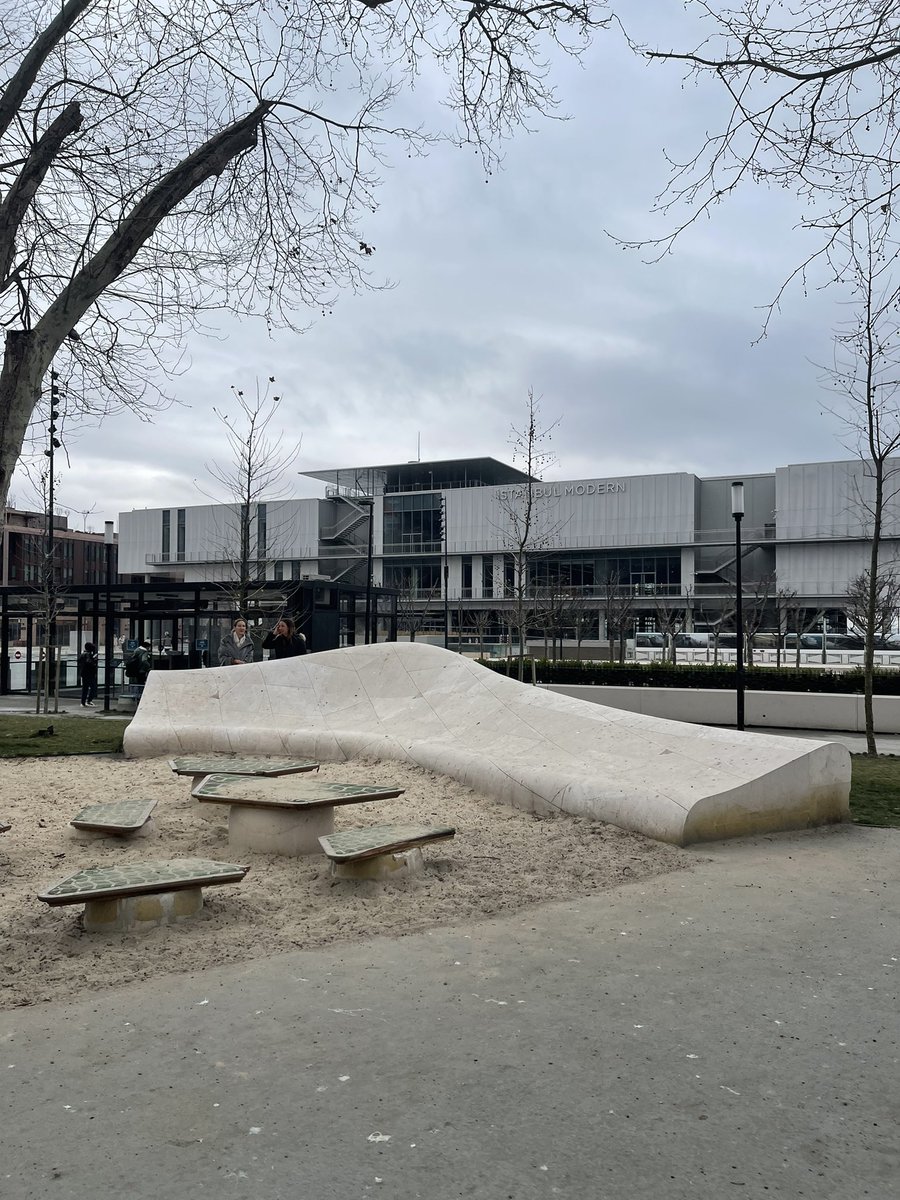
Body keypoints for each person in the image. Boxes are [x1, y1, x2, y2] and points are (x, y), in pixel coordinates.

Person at [78, 642, 99, 707]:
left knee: (85, 688)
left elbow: (79, 661)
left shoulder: (82, 654)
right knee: (93, 688)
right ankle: (89, 701)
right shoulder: (88, 655)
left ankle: (83, 702)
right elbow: (89, 663)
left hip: (84, 673)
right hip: (89, 674)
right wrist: (94, 660)